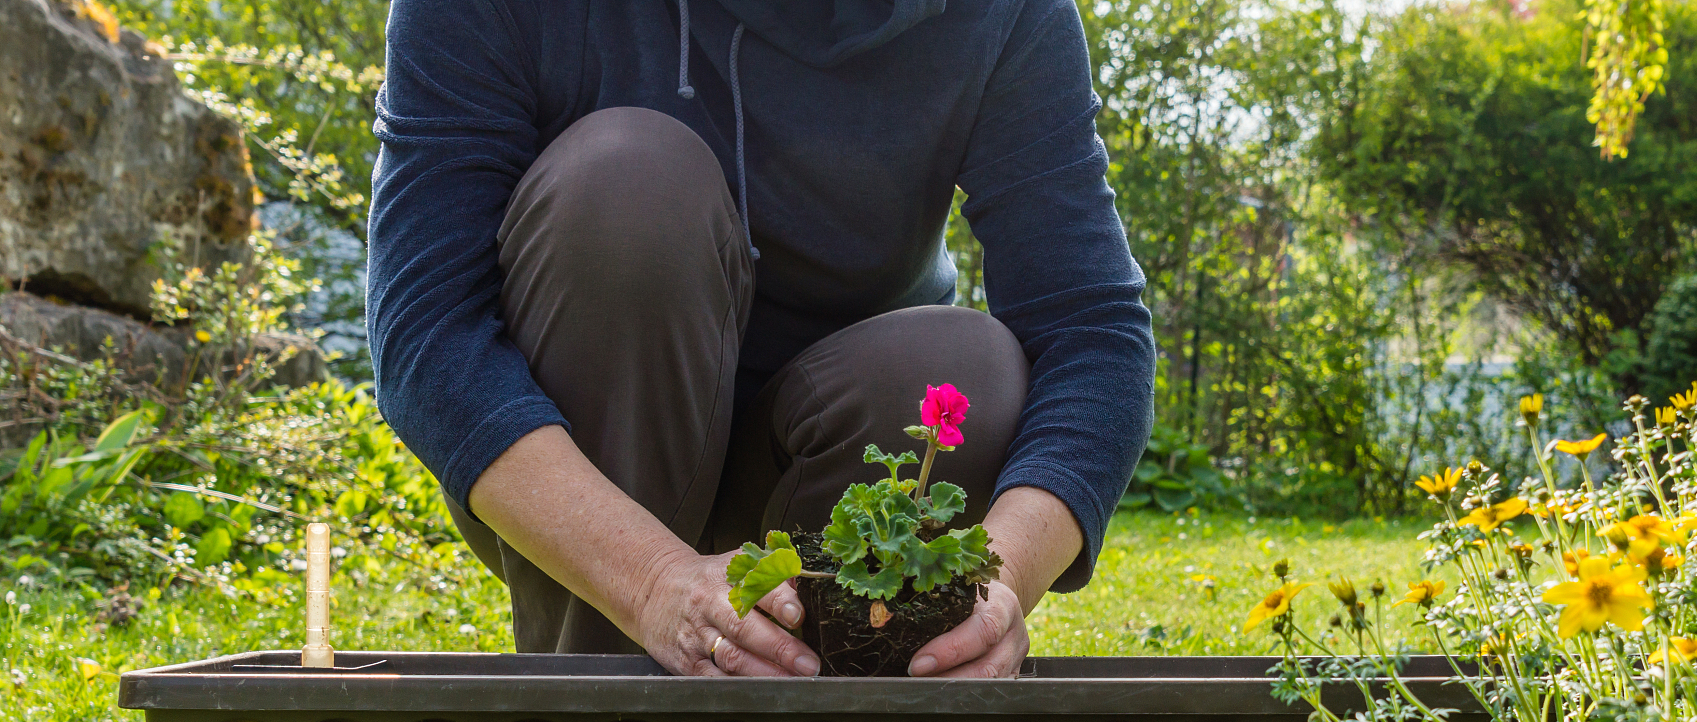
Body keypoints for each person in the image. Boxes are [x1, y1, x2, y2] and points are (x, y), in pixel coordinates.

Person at [366, 0, 1154, 678]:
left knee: (962, 371)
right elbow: (427, 328)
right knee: (630, 184)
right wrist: (652, 581)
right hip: (590, 450)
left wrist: (1004, 573)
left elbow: (1091, 328)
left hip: (829, 447)